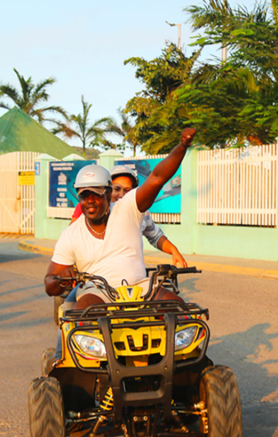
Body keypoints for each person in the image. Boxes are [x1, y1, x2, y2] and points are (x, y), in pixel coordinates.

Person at [44, 128, 196, 310]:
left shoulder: (127, 208)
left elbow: (157, 178)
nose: (90, 200)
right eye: (85, 195)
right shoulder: (70, 235)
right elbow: (49, 282)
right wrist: (62, 279)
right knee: (81, 317)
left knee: (178, 310)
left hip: (141, 288)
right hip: (96, 293)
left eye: (97, 194)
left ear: (108, 195)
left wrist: (181, 146)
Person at [70, 165, 187, 268]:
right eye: (116, 189)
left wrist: (173, 251)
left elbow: (155, 237)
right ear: (107, 191)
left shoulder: (142, 214)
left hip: (131, 279)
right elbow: (71, 239)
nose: (121, 195)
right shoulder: (92, 210)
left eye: (127, 190)